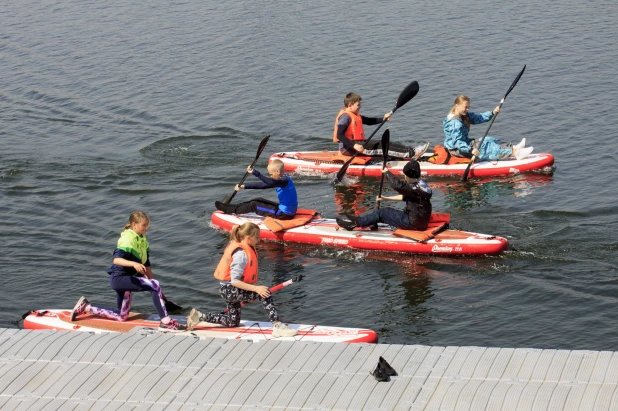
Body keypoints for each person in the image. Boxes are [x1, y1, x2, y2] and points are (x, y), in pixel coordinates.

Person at [71, 211, 185, 331]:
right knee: (154, 285)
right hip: (119, 278)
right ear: (134, 224)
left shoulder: (143, 241)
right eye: (143, 225)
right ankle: (165, 322)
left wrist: (157, 288)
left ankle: (86, 307)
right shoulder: (127, 239)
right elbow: (116, 260)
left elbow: (147, 265)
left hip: (127, 280)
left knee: (122, 316)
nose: (146, 228)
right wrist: (135, 265)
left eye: (147, 225)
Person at [186, 222, 297, 338]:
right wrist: (256, 288)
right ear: (248, 238)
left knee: (232, 321)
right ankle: (277, 326)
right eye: (257, 237)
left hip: (228, 290)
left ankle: (200, 316)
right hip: (230, 289)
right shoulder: (241, 255)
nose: (258, 240)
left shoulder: (238, 242)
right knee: (265, 293)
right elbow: (234, 281)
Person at [336, 160, 432, 231]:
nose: (404, 177)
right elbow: (405, 197)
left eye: (405, 175)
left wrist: (387, 172)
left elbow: (397, 185)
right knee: (387, 212)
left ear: (408, 175)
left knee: (382, 212)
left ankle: (356, 223)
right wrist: (385, 198)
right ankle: (372, 222)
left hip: (413, 223)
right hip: (421, 222)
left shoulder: (412, 188)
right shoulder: (422, 186)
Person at [334, 92, 430, 159]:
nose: (360, 107)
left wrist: (383, 118)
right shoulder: (345, 117)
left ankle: (411, 150)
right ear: (350, 105)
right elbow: (339, 135)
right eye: (358, 105)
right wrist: (354, 145)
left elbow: (368, 120)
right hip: (348, 148)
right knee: (381, 146)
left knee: (386, 142)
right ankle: (411, 154)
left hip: (357, 144)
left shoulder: (355, 115)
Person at [443, 95, 533, 161]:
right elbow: (457, 142)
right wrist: (471, 150)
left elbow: (479, 118)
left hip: (465, 143)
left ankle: (513, 147)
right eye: (465, 107)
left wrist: (493, 113)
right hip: (457, 149)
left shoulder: (463, 115)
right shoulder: (454, 123)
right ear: (457, 106)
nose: (467, 109)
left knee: (488, 139)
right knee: (485, 147)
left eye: (468, 107)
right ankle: (515, 153)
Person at [215, 159, 297, 220]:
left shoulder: (284, 181)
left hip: (284, 214)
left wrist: (255, 172)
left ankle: (229, 210)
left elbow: (270, 182)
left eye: (271, 174)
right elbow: (263, 185)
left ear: (278, 171)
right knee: (258, 200)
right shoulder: (284, 179)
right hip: (285, 210)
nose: (271, 176)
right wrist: (244, 186)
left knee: (254, 205)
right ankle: (231, 207)